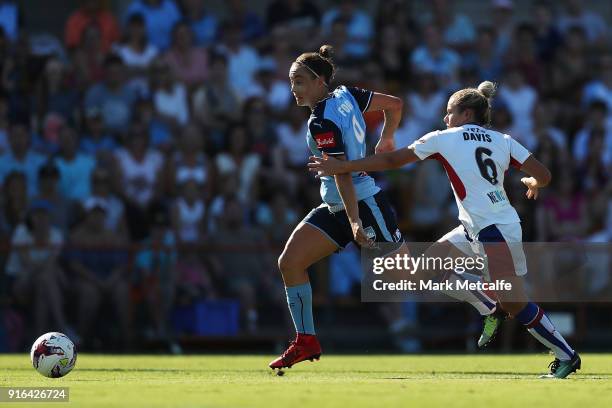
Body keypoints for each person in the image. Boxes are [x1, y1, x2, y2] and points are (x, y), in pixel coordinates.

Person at [309, 81, 581, 379]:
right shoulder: (503, 140)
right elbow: (544, 175)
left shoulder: (444, 138)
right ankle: (489, 307)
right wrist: (532, 183)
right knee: (422, 272)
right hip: (479, 227)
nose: (444, 118)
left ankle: (566, 356)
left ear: (465, 114)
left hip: (494, 230)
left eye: (448, 112)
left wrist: (343, 166)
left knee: (515, 302)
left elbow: (390, 160)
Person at [268, 44, 406, 371]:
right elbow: (394, 105)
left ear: (319, 81)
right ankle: (306, 340)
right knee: (290, 262)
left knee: (409, 276)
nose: (294, 89)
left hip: (363, 203)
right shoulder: (348, 95)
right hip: (336, 207)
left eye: (300, 81)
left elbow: (341, 172)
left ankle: (482, 288)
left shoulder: (321, 120)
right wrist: (386, 138)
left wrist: (355, 221)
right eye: (291, 82)